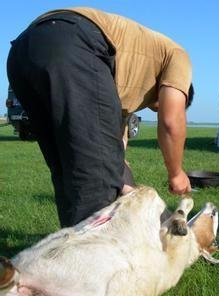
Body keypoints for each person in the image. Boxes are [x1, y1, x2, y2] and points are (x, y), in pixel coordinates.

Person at [7, 7, 193, 227]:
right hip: (73, 42)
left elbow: (114, 149)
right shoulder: (178, 57)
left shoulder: (118, 83)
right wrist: (176, 173)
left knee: (68, 170)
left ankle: (69, 248)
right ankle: (93, 258)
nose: (154, 109)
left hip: (23, 52)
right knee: (95, 182)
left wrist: (124, 181)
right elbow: (172, 120)